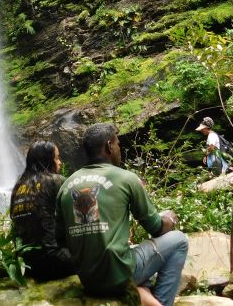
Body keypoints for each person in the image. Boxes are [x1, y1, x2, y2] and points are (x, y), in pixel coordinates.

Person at [56, 124, 188, 306]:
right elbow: (156, 228)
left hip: (88, 280)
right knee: (179, 240)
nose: (120, 149)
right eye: (118, 144)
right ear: (109, 146)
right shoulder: (126, 178)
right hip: (118, 276)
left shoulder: (66, 186)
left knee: (133, 251)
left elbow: (61, 241)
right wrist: (170, 219)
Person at [10, 141, 75, 281]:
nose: (60, 162)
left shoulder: (17, 187)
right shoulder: (56, 181)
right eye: (56, 158)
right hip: (55, 261)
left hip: (25, 264)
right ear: (47, 160)